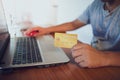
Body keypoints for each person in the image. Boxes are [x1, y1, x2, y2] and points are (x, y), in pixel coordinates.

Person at [24, 0, 120, 68]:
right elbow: (74, 24)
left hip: (113, 64)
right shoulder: (95, 4)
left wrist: (104, 58)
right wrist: (45, 30)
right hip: (92, 56)